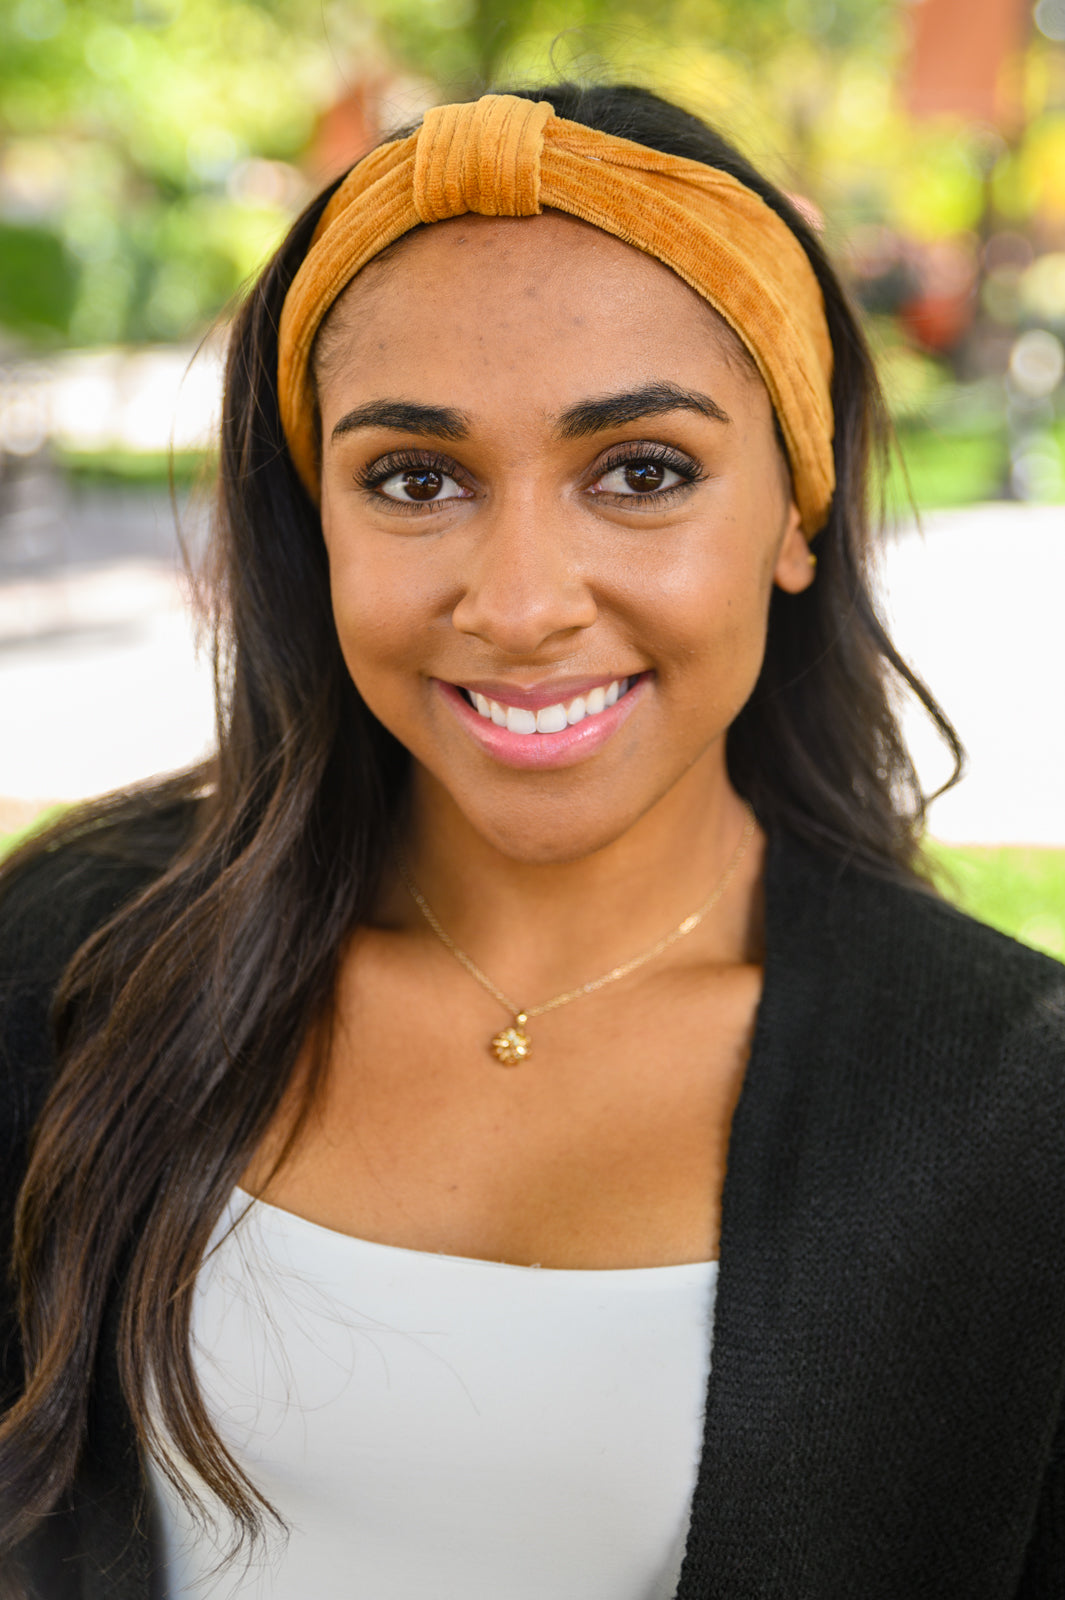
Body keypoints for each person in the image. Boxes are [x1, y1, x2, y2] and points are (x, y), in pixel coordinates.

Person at [1, 81, 1063, 1600]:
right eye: (415, 479)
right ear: (316, 519)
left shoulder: (1012, 1108)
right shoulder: (73, 959)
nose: (518, 605)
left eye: (642, 472)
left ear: (797, 510)